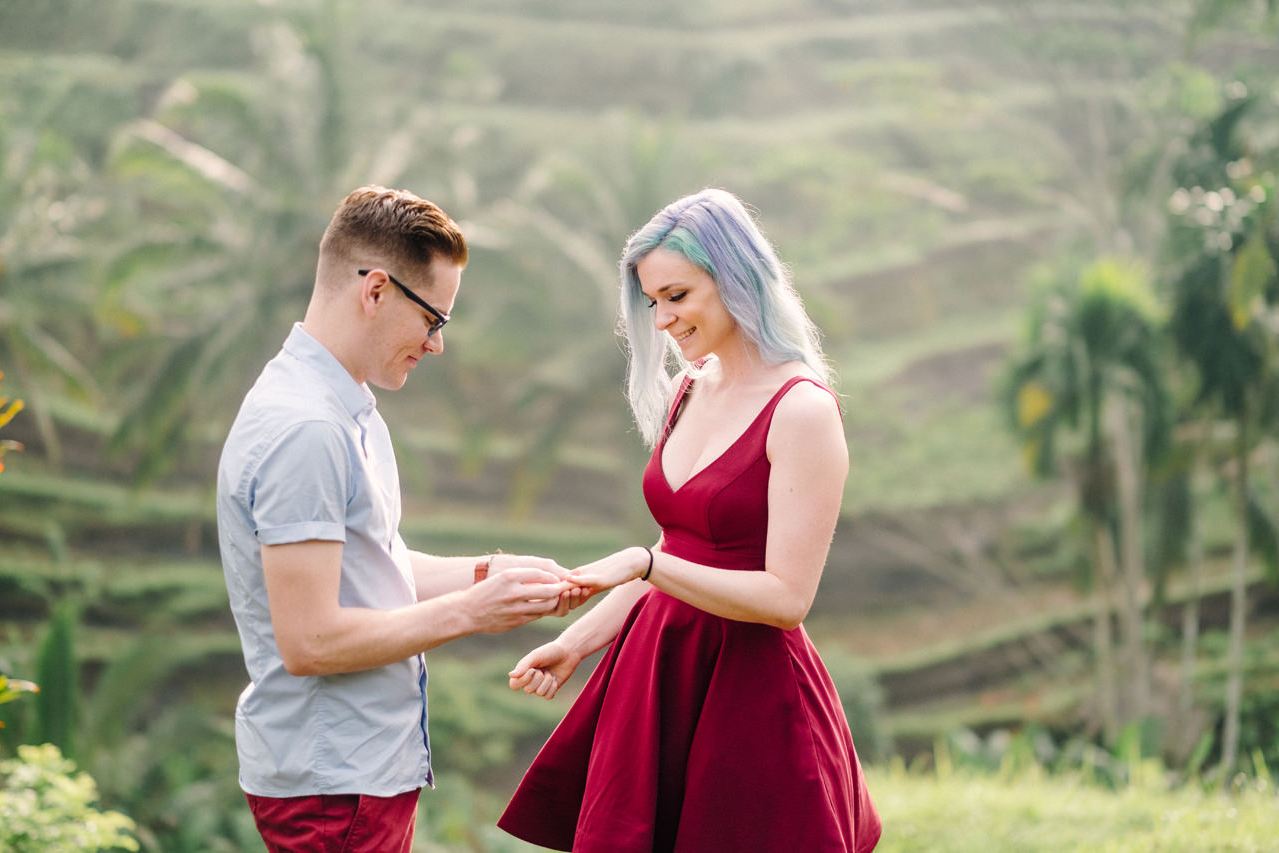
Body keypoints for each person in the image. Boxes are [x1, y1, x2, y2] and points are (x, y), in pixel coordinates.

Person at [498, 188, 882, 852]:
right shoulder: (687, 391)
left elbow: (787, 599)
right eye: (653, 303)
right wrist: (577, 643)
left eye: (678, 295)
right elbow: (676, 548)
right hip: (656, 671)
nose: (664, 319)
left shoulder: (802, 409)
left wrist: (647, 563)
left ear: (734, 277)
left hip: (748, 693)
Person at [217, 185, 580, 853]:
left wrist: (485, 572)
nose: (436, 344)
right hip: (334, 784)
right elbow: (311, 641)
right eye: (433, 319)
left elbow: (366, 564)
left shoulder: (343, 403)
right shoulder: (308, 429)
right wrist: (474, 610)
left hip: (357, 773)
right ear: (376, 290)